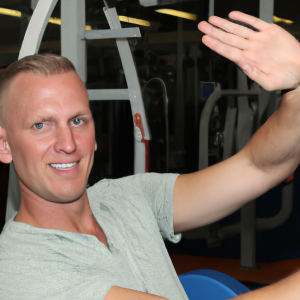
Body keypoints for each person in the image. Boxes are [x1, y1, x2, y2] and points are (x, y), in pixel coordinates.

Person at [0, 10, 300, 299]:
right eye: (41, 125)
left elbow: (259, 166)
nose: (67, 143)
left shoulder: (127, 198)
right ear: (4, 145)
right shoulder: (18, 268)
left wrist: (297, 84)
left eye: (77, 121)